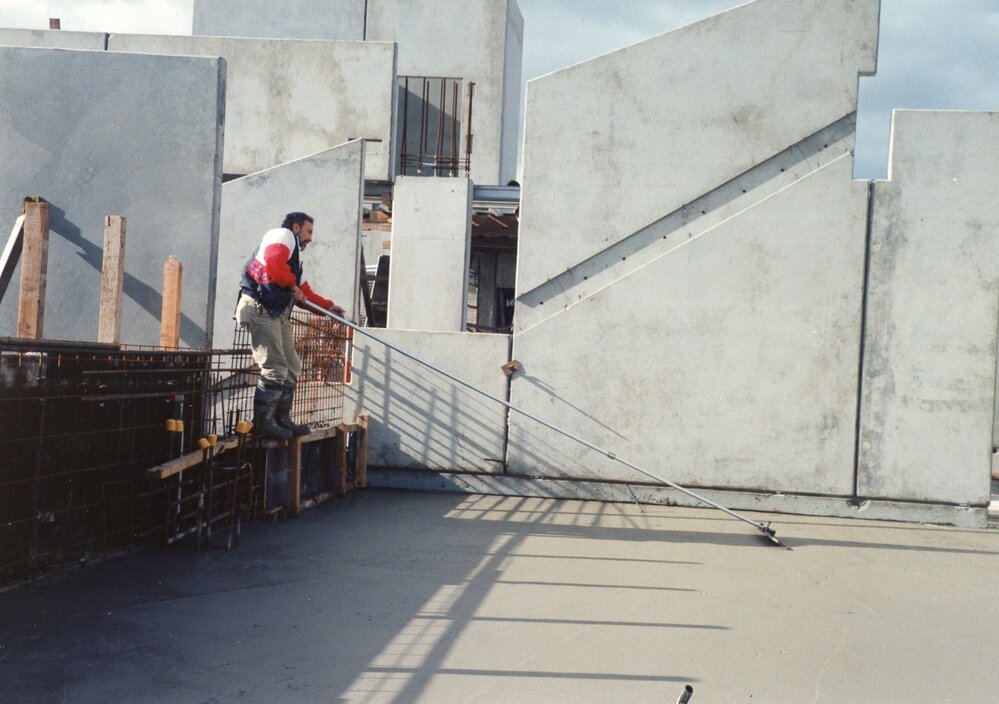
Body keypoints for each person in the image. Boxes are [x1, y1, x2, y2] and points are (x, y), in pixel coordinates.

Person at [236, 212, 345, 439]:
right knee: (275, 367)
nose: (310, 238)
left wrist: (329, 307)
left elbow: (304, 294)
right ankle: (264, 424)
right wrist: (290, 286)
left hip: (274, 312)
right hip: (260, 308)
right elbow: (276, 268)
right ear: (296, 227)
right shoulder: (282, 235)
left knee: (292, 367)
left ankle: (280, 419)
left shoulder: (293, 263)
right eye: (309, 232)